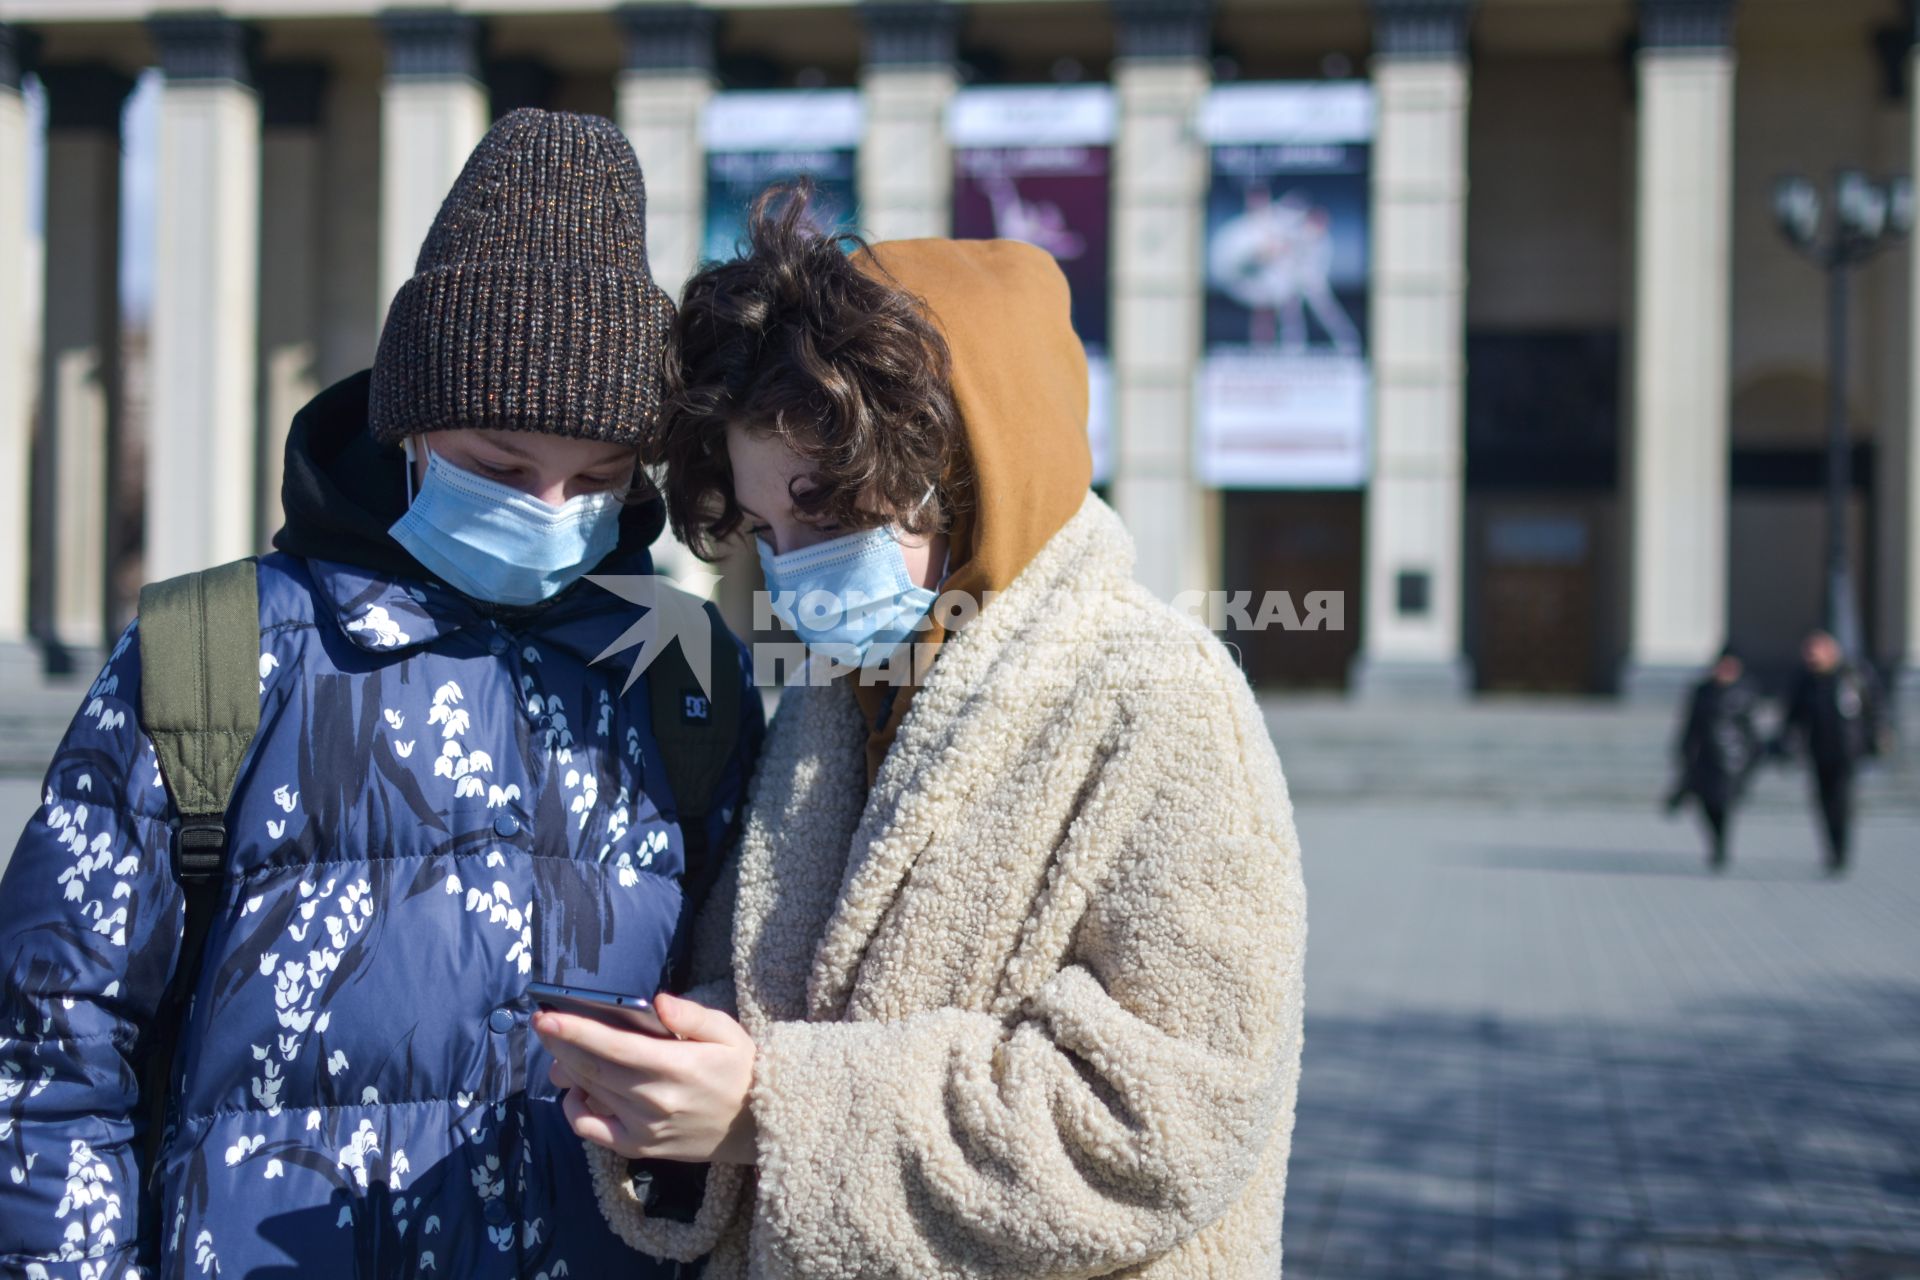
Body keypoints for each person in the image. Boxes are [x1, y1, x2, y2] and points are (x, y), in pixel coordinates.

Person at [0, 109, 761, 1276]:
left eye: (599, 480)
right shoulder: (215, 648)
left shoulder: (687, 676)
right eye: (502, 467)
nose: (550, 510)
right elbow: (50, 1048)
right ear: (405, 428)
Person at [531, 189, 1308, 1278]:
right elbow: (774, 998)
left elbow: (1162, 1123)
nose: (792, 564)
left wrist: (769, 1104)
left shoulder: (1163, 698)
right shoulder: (834, 695)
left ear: (967, 476)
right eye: (766, 527)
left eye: (828, 511)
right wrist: (675, 1068)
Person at [1776, 629, 1880, 876]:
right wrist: (1786, 742)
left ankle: (1841, 851)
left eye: (1817, 650)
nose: (1812, 656)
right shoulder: (1805, 681)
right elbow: (1793, 715)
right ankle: (1832, 849)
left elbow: (1874, 707)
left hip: (1847, 750)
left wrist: (1877, 736)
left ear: (1832, 650)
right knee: (1823, 802)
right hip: (1818, 750)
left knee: (1841, 801)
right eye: (1809, 651)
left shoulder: (1853, 675)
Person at [1665, 646, 1762, 870]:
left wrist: (1751, 757)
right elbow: (1691, 723)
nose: (1725, 670)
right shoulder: (1703, 691)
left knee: (1722, 803)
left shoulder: (1745, 692)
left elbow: (1751, 730)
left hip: (1733, 760)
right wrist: (1683, 749)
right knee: (1707, 804)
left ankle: (1720, 846)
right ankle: (1716, 841)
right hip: (1705, 757)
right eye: (1722, 665)